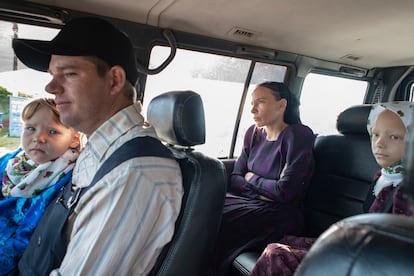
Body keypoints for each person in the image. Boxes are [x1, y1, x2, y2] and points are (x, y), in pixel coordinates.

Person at [12, 17, 183, 275]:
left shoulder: (134, 173)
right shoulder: (100, 150)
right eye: (52, 75)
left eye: (69, 73)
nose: (50, 87)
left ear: (114, 80)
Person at [249, 101, 414, 276]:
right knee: (283, 240)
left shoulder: (407, 190)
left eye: (394, 137)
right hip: (356, 245)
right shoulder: (383, 176)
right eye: (375, 135)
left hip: (374, 261)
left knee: (276, 253)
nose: (379, 144)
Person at [209, 81, 316, 275]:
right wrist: (264, 190)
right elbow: (235, 179)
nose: (252, 109)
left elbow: (286, 192)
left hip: (279, 213)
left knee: (224, 221)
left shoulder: (297, 135)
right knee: (206, 208)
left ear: (282, 105)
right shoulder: (253, 133)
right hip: (250, 202)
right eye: (252, 102)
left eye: (261, 102)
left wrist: (251, 178)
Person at [0, 98, 81, 275]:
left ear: (74, 139)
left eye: (53, 132)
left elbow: (26, 239)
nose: (38, 138)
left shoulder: (63, 181)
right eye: (30, 128)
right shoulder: (10, 162)